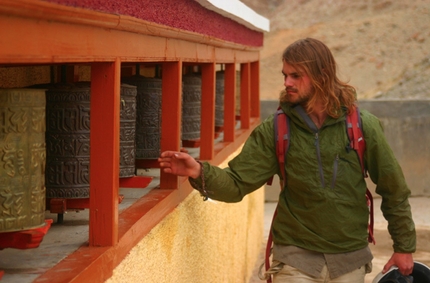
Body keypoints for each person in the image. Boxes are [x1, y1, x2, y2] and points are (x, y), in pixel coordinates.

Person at [158, 38, 416, 283]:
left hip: (350, 259)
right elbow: (237, 183)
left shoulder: (361, 126)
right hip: (295, 258)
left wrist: (404, 247)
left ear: (321, 75)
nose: (287, 82)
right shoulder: (276, 129)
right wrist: (197, 171)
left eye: (295, 75)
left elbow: (394, 190)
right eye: (285, 75)